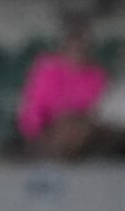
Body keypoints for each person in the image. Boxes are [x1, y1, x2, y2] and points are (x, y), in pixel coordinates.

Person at [16, 14, 116, 159]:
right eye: (73, 48)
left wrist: (81, 120)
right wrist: (47, 127)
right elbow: (33, 111)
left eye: (82, 49)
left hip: (86, 130)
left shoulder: (99, 76)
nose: (77, 53)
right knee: (67, 130)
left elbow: (103, 111)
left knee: (80, 130)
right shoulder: (46, 71)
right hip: (52, 129)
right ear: (64, 49)